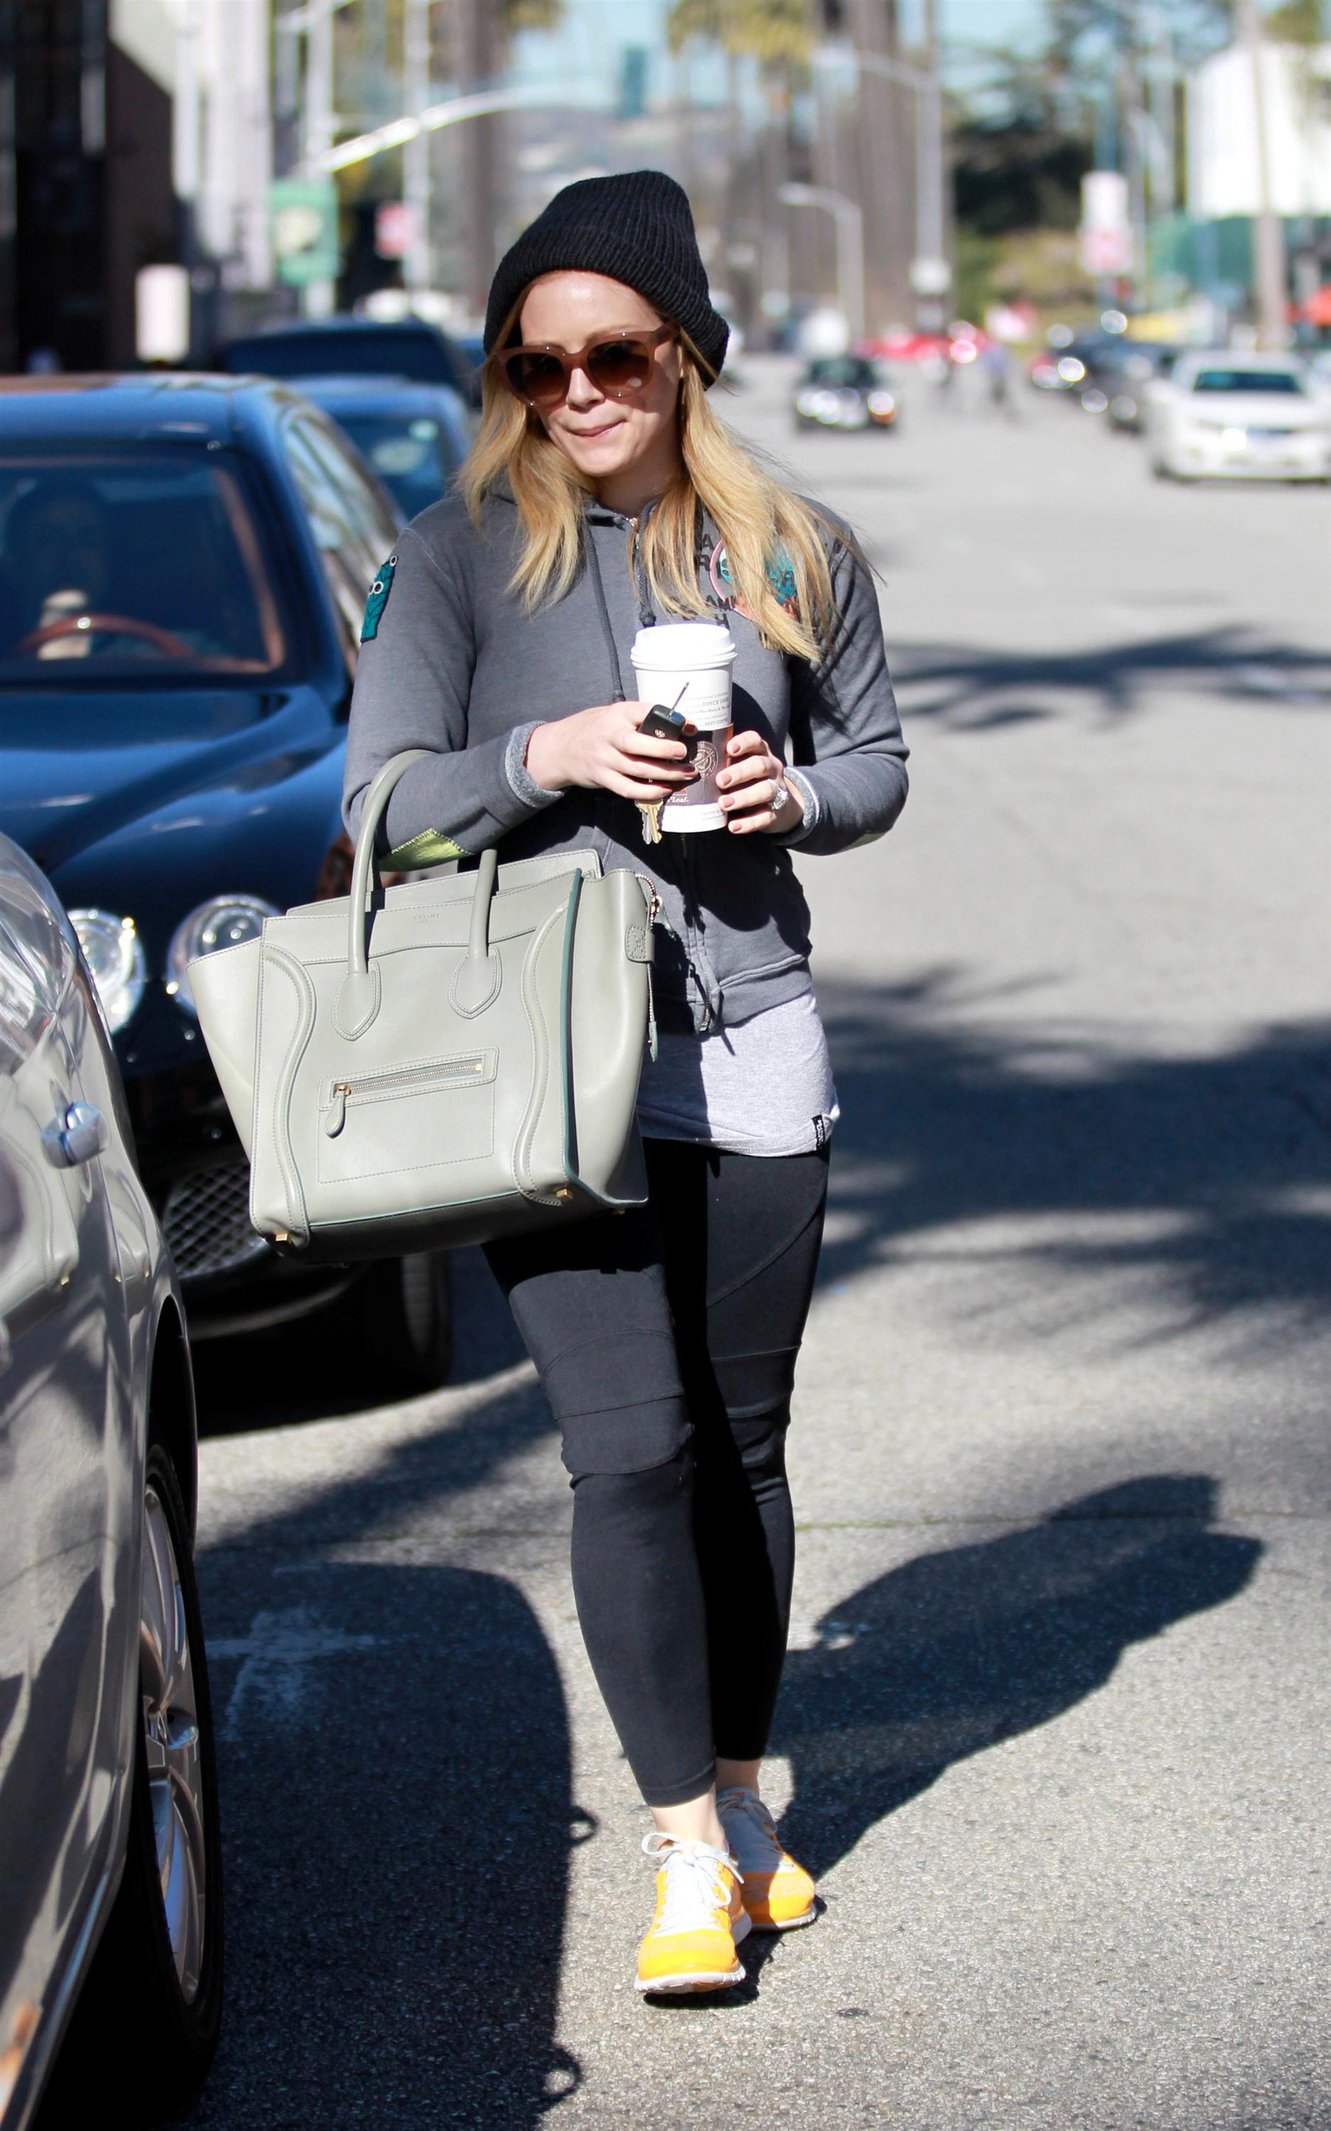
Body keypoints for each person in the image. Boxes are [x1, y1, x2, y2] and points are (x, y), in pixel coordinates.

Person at [344, 170, 908, 1999]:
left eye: (618, 356)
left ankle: (747, 1809)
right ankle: (678, 1852)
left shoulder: (792, 550)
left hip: (748, 1028)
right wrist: (544, 751)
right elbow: (377, 806)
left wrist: (790, 795)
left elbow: (879, 759)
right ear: (510, 376)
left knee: (742, 1445)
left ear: (688, 357)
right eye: (541, 361)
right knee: (630, 1446)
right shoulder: (453, 558)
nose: (579, 392)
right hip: (541, 1064)